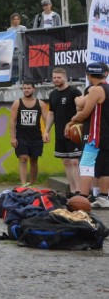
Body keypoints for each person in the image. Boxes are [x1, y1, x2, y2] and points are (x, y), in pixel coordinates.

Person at [66, 62, 109, 208]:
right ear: (104, 74)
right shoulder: (106, 88)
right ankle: (104, 197)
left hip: (96, 135)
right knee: (105, 168)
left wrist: (71, 122)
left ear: (89, 75)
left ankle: (83, 197)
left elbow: (84, 111)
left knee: (86, 165)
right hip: (107, 134)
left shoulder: (96, 90)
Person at [44, 68, 82, 194]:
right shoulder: (53, 94)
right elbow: (51, 113)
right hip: (60, 133)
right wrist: (46, 131)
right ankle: (72, 191)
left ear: (65, 77)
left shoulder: (74, 92)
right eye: (54, 77)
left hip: (73, 133)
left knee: (75, 161)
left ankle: (80, 192)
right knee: (66, 161)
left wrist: (75, 124)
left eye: (58, 77)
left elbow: (82, 109)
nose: (56, 80)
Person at [9, 82, 50, 186]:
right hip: (21, 137)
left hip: (36, 137)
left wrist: (46, 133)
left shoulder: (40, 104)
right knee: (23, 158)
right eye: (24, 88)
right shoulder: (17, 103)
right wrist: (13, 137)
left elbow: (46, 119)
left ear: (34, 89)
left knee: (34, 160)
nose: (26, 90)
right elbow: (12, 120)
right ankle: (23, 183)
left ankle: (32, 183)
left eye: (29, 88)